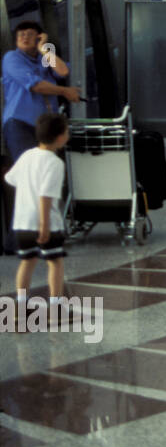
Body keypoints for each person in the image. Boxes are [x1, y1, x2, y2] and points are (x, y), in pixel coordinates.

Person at [6, 112, 72, 314]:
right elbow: (45, 196)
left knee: (27, 262)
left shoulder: (27, 156)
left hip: (22, 223)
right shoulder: (55, 163)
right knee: (55, 263)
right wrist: (44, 226)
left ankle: (21, 305)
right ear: (60, 137)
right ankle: (55, 307)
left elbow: (11, 178)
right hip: (46, 224)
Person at [3, 21, 82, 164]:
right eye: (21, 34)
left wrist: (43, 49)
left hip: (46, 126)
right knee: (29, 169)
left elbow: (63, 71)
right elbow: (36, 86)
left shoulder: (43, 59)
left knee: (46, 167)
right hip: (21, 123)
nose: (25, 37)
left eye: (30, 34)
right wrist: (64, 91)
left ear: (39, 37)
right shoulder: (12, 58)